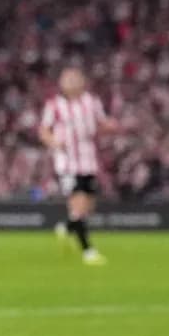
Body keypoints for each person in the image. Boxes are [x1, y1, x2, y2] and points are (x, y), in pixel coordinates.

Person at [39, 67, 115, 265]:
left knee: (88, 206)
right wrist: (54, 142)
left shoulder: (92, 102)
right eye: (68, 79)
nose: (72, 82)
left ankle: (67, 227)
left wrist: (111, 126)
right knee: (78, 203)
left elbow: (101, 123)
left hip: (88, 159)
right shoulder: (54, 105)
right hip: (67, 161)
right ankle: (88, 251)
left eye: (76, 78)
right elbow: (44, 130)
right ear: (62, 83)